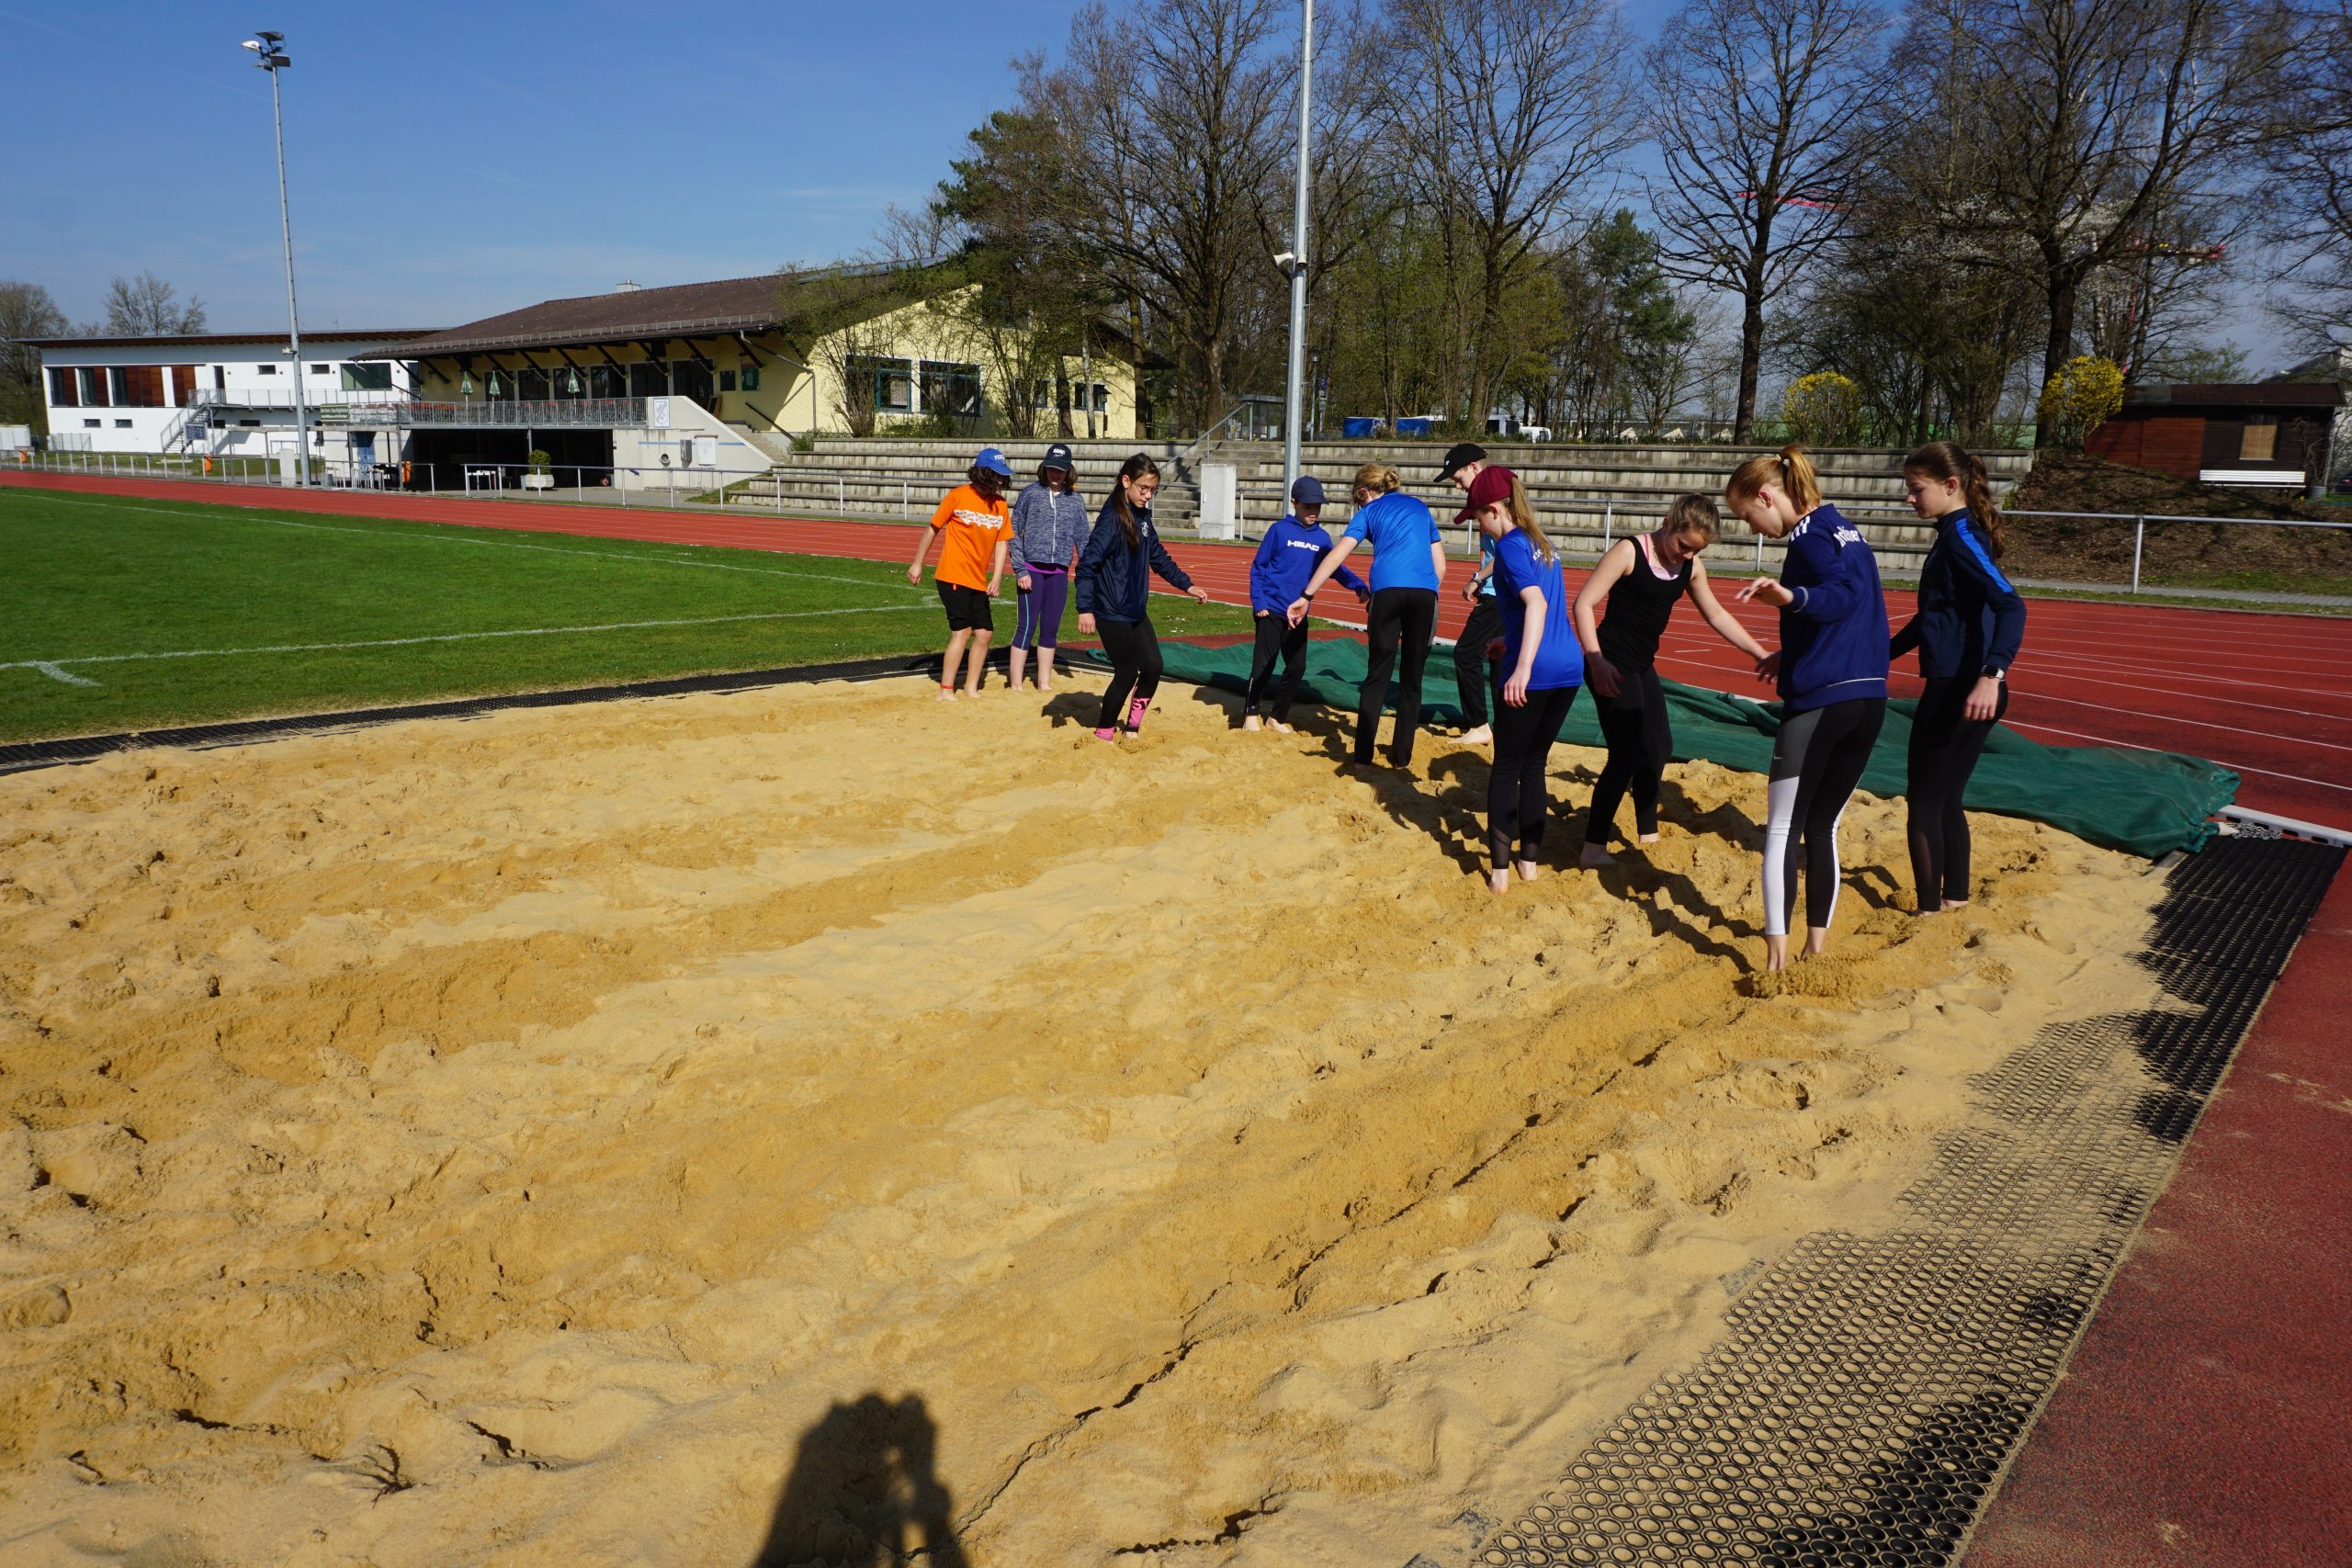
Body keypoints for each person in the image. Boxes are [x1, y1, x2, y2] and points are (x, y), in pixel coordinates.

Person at [1725, 444, 1891, 972]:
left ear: (1766, 497)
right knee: (1823, 828)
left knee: (1781, 830)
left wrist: (1791, 599)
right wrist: (1794, 652)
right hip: (1868, 699)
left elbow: (1838, 597)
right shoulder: (1846, 530)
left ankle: (1775, 958)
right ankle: (1815, 950)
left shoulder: (1808, 539)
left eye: (1747, 516)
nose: (1752, 528)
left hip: (1822, 702)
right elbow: (1855, 610)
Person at [1571, 494, 1772, 866]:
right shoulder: (1630, 552)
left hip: (1641, 665)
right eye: (1683, 546)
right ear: (1668, 524)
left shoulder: (1691, 566)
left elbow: (1716, 614)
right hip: (1610, 662)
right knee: (1626, 754)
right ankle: (1592, 847)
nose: (1686, 555)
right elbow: (1583, 604)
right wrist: (1595, 660)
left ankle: (1647, 833)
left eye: (1695, 550)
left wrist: (1760, 653)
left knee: (1659, 747)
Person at [1890, 440, 2027, 915]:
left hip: (1962, 688)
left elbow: (2011, 605)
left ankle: (1928, 908)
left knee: (1923, 801)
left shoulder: (1962, 535)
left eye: (1916, 489)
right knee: (1947, 797)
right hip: (1964, 685)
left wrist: (1992, 673)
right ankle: (1955, 897)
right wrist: (1880, 654)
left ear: (1951, 485)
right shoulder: (1952, 534)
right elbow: (1931, 616)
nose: (1909, 498)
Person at [1462, 467, 1584, 896]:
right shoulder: (1542, 542)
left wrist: (1523, 667)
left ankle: (1499, 872)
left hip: (1537, 671)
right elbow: (1546, 609)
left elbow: (1536, 605)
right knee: (1534, 765)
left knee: (1506, 767)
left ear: (1495, 510)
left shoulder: (1511, 547)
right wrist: (1507, 640)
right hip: (1568, 668)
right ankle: (1528, 864)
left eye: (1478, 516)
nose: (1478, 525)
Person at [1288, 462, 1449, 770]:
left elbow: (1337, 555)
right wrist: (1426, 592)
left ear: (1363, 492)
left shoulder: (1368, 512)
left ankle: (1362, 756)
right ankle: (1401, 758)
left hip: (1386, 592)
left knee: (1377, 675)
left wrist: (1306, 596)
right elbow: (1440, 566)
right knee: (1412, 679)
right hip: (1424, 593)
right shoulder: (1419, 507)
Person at [1077, 453, 1210, 740]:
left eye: (1153, 490)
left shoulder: (1143, 516)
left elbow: (1158, 556)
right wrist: (1085, 608)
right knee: (1127, 672)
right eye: (1144, 488)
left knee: (1153, 666)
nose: (1148, 495)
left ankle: (1132, 728)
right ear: (1126, 481)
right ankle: (1104, 732)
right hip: (1111, 610)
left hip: (1135, 609)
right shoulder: (1111, 519)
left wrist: (1187, 586)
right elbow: (1086, 566)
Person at [1243, 476, 1369, 731]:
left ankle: (1276, 718)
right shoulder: (1279, 530)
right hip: (1271, 609)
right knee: (1264, 664)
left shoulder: (1322, 538)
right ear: (1294, 503)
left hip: (1298, 614)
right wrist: (1259, 602)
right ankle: (1250, 714)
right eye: (1308, 506)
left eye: (1317, 506)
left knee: (1297, 667)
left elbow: (1335, 568)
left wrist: (1358, 585)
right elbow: (1258, 568)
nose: (1313, 511)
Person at [908, 447, 1015, 700]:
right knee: (963, 631)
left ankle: (970, 687)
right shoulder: (958, 496)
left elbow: (1002, 543)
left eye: (1003, 476)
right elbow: (932, 528)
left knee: (985, 633)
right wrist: (917, 563)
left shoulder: (1000, 505)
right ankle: (946, 689)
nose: (1001, 480)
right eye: (997, 475)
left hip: (978, 579)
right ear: (984, 474)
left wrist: (997, 578)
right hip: (952, 575)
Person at [1007, 443, 1090, 693]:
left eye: (1061, 470)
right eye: (1052, 468)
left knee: (1050, 628)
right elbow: (1014, 531)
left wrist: (1087, 570)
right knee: (1026, 626)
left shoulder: (1075, 500)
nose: (1056, 474)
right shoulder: (1030, 493)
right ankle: (1016, 684)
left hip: (1059, 573)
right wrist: (1020, 569)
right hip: (1031, 570)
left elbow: (1083, 538)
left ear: (1068, 471)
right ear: (1044, 467)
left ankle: (1044, 683)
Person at [1436, 442, 1499, 746]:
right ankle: (1502, 724)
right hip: (1502, 593)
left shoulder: (1495, 499)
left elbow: (1510, 548)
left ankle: (1479, 724)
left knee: (1466, 653)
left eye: (1458, 478)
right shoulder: (1489, 497)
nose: (1458, 486)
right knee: (1499, 658)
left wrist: (1477, 578)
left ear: (1474, 467)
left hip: (1499, 595)